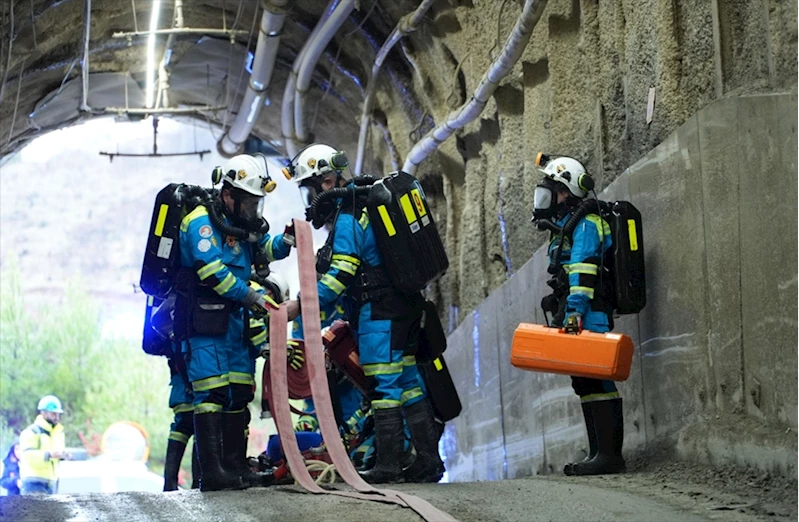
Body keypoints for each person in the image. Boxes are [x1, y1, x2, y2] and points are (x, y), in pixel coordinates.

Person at [283, 143, 444, 484]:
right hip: (406, 304)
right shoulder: (368, 204)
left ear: (325, 182)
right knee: (408, 381)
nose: (310, 198)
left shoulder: (348, 216)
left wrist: (304, 305)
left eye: (309, 188)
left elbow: (342, 272)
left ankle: (388, 465)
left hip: (379, 309)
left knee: (383, 384)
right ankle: (429, 461)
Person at [175, 154, 292, 491]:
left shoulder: (239, 226)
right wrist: (251, 296)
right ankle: (212, 473)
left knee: (238, 393)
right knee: (211, 393)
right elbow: (210, 270)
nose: (253, 209)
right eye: (249, 201)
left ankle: (236, 467)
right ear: (229, 194)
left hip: (234, 324)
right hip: (204, 324)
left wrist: (283, 244)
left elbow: (261, 249)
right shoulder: (201, 222)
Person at [531, 155, 625, 476]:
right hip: (576, 309)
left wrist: (574, 313)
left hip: (589, 310)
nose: (545, 196)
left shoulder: (586, 223)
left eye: (552, 190)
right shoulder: (566, 227)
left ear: (567, 190)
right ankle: (599, 453)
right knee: (584, 381)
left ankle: (610, 456)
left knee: (598, 377)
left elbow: (584, 272)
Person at [19, 395, 71, 495]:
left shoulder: (57, 433)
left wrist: (63, 455)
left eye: (58, 414)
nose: (57, 417)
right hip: (33, 483)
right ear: (43, 413)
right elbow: (27, 456)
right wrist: (49, 455)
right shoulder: (32, 432)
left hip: (51, 483)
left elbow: (57, 454)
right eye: (53, 414)